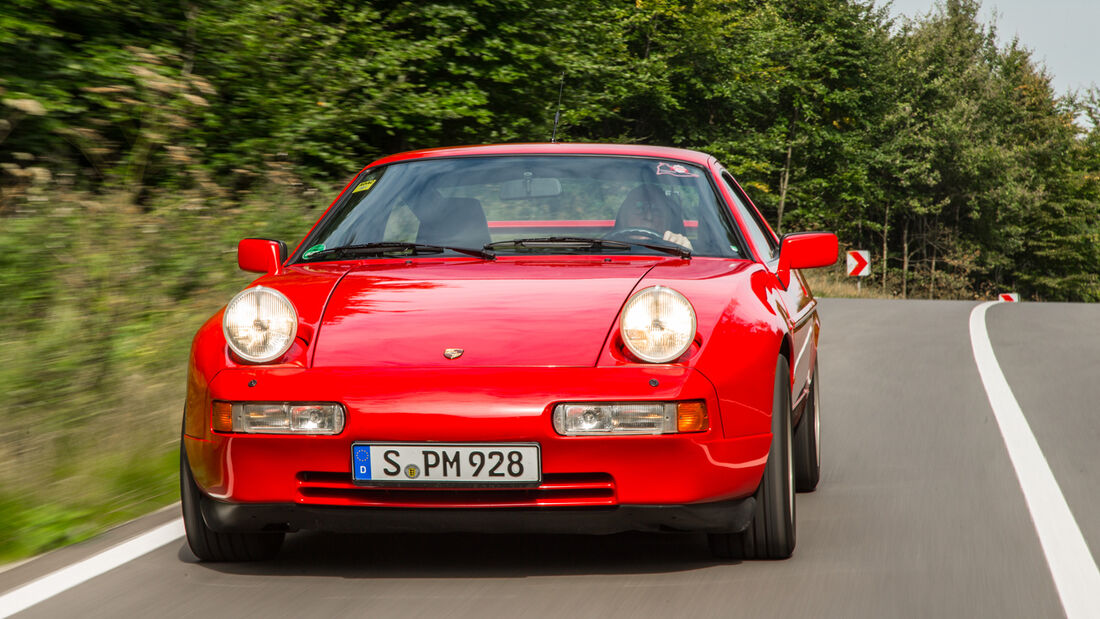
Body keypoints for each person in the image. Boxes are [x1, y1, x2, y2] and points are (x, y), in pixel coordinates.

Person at [612, 184, 693, 250]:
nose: (649, 217)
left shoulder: (678, 249)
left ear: (668, 222)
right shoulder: (605, 249)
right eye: (639, 208)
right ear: (623, 218)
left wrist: (685, 250)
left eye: (656, 210)